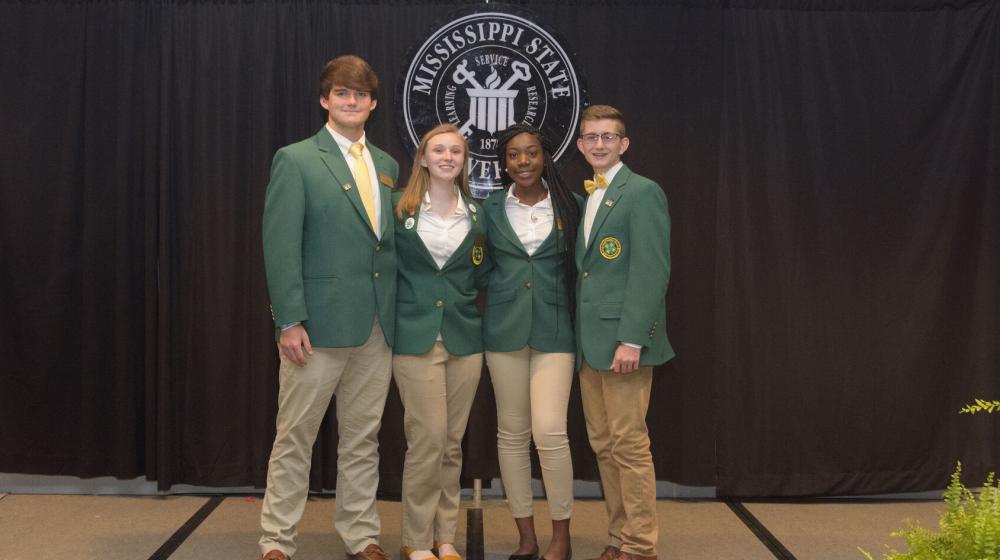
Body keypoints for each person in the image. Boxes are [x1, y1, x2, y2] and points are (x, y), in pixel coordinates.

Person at [259, 55, 399, 560]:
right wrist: (289, 319)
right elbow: (280, 245)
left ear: (373, 104)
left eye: (360, 95)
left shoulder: (386, 165)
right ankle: (277, 540)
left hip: (376, 328)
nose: (351, 101)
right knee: (295, 437)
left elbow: (384, 246)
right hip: (314, 328)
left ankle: (361, 535)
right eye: (342, 93)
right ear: (325, 100)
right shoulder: (295, 159)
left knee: (363, 440)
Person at [574, 104, 674, 560]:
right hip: (590, 346)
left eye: (607, 137)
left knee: (630, 446)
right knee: (604, 445)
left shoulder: (643, 192)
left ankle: (640, 545)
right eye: (591, 137)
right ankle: (618, 536)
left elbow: (651, 272)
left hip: (623, 345)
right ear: (580, 145)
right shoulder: (590, 195)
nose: (599, 144)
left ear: (624, 143)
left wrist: (633, 337)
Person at [482, 123, 582, 560]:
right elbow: (479, 267)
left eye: (531, 153)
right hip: (503, 332)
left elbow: (581, 270)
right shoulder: (488, 209)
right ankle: (526, 536)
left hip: (555, 332)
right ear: (504, 163)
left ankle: (561, 535)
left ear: (545, 156)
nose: (523, 162)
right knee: (511, 434)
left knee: (550, 432)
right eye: (514, 155)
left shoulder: (571, 205)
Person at [391, 124, 487, 560]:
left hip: (465, 339)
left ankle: (444, 537)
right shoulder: (399, 210)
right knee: (427, 439)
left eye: (456, 151)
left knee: (451, 442)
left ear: (464, 161)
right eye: (439, 150)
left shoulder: (479, 215)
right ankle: (415, 539)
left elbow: (480, 276)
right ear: (424, 159)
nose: (448, 157)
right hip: (415, 338)